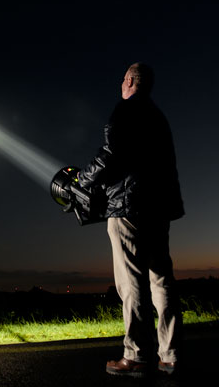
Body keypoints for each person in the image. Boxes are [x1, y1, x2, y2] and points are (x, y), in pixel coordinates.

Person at [78, 63, 184, 378]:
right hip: (159, 208)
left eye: (122, 79)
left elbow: (110, 155)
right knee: (161, 280)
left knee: (131, 282)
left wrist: (83, 179)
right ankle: (171, 356)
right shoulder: (159, 118)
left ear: (129, 81)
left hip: (128, 207)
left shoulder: (125, 110)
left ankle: (136, 355)